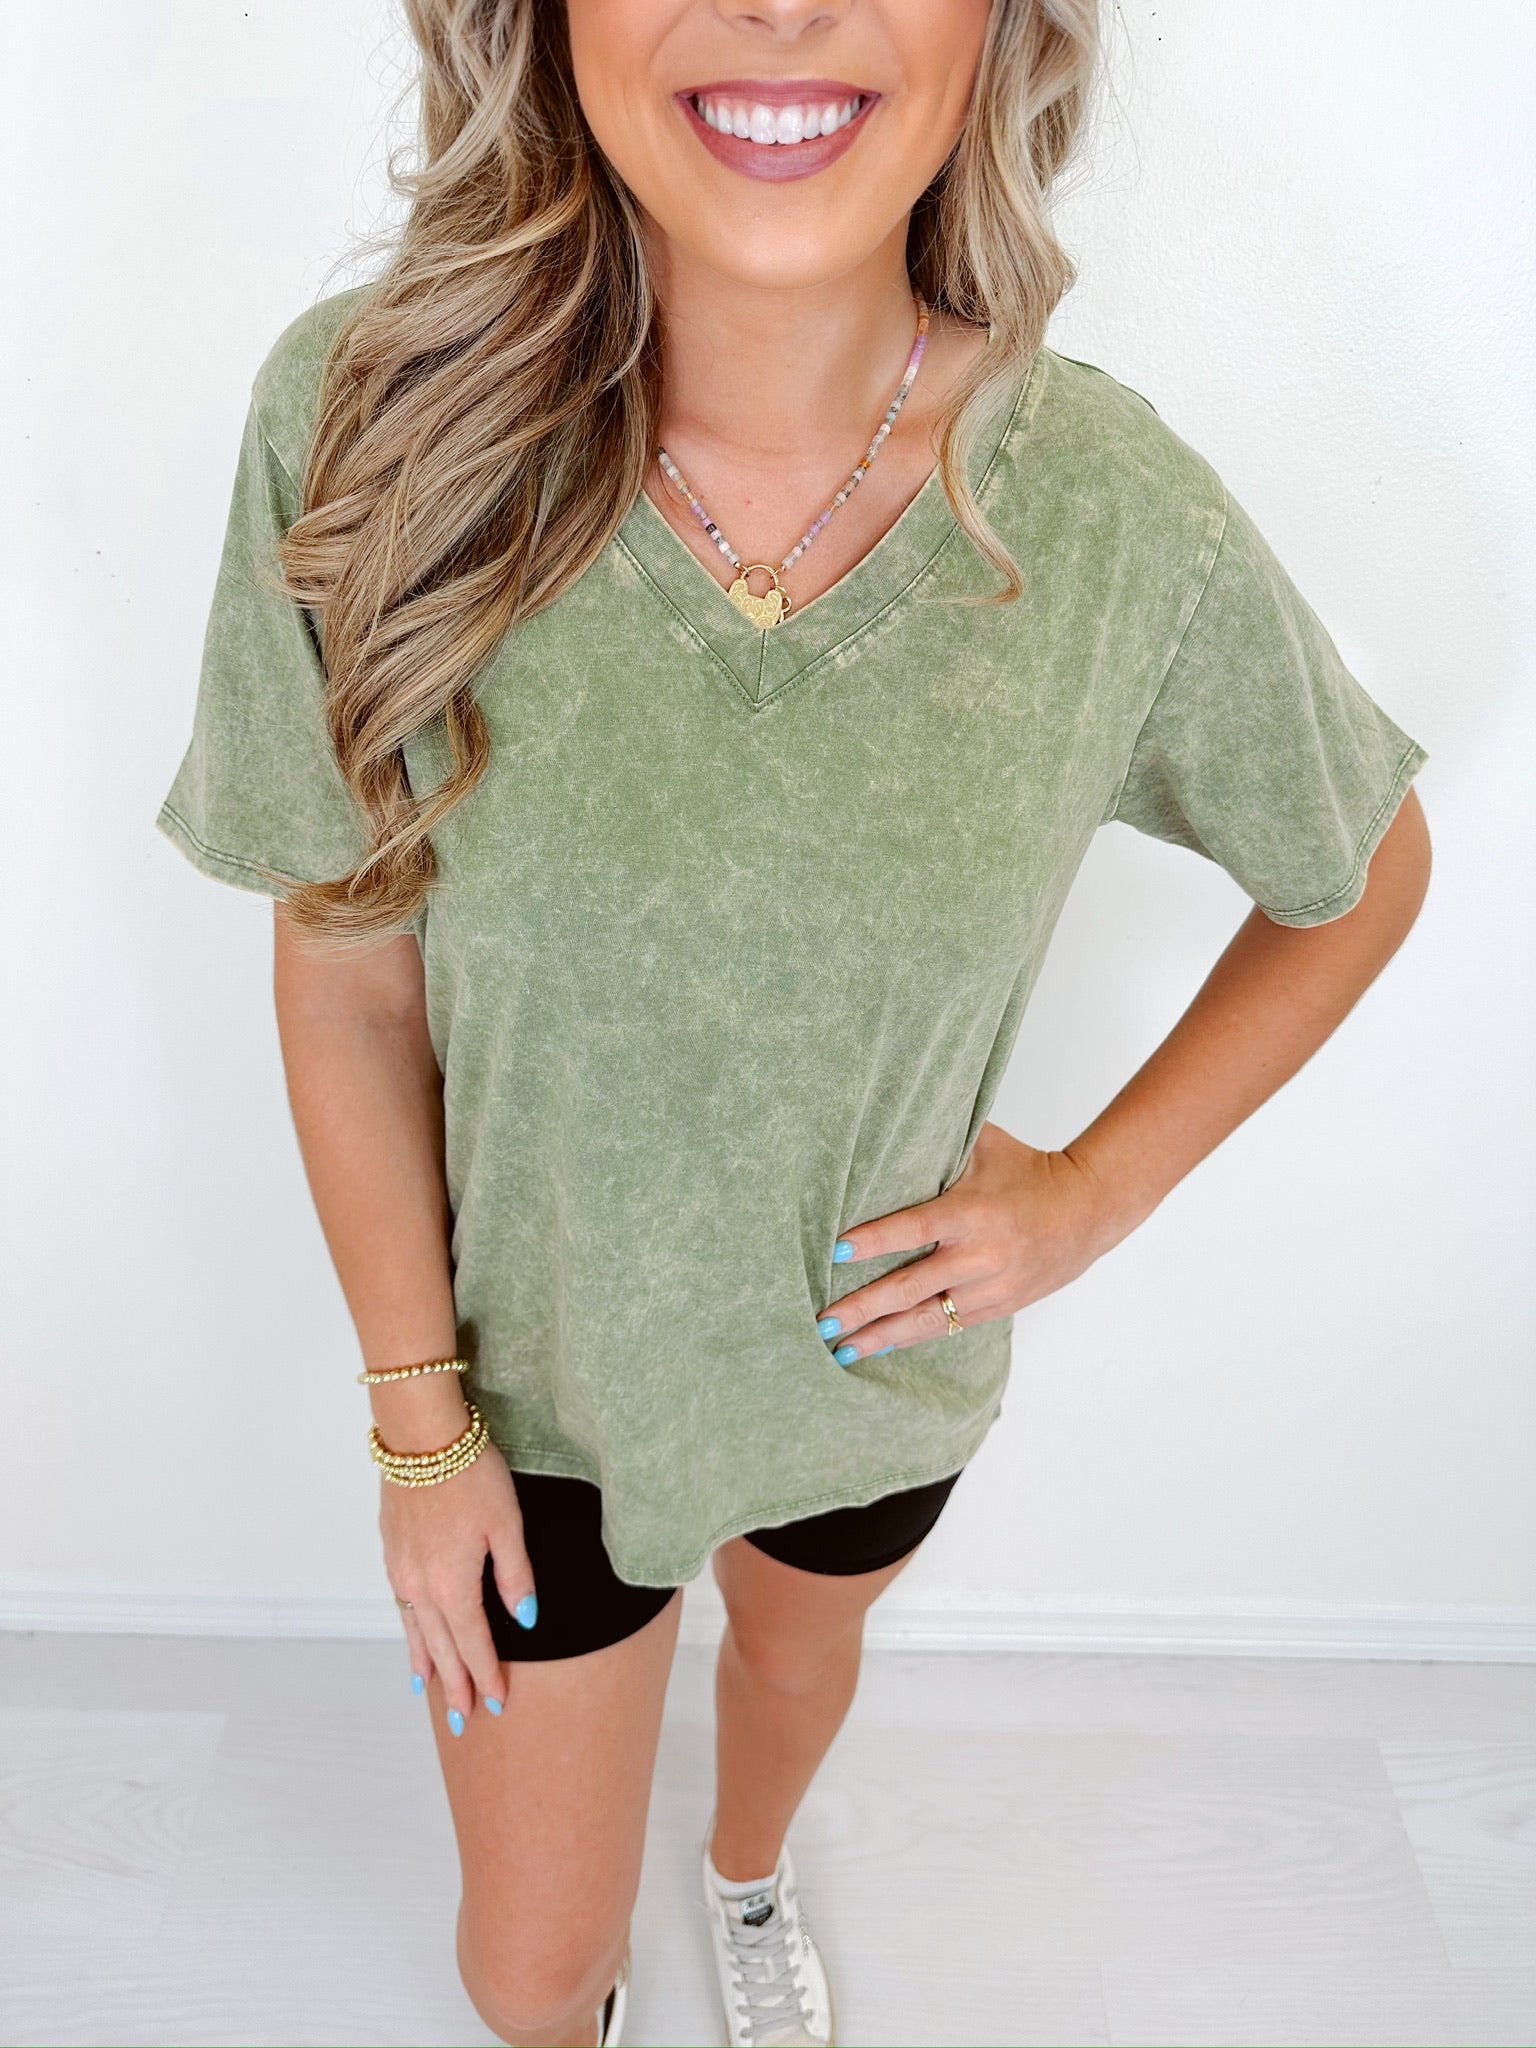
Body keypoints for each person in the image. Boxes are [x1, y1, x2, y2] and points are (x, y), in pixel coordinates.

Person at [154, 2, 1432, 2043]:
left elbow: (1358, 870)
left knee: (792, 1666)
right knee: (527, 1976)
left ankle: (746, 1870)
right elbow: (347, 968)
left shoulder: (1118, 515)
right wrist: (418, 1429)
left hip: (869, 1362)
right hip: (530, 1405)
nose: (779, 5)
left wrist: (1090, 1194)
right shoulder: (371, 425)